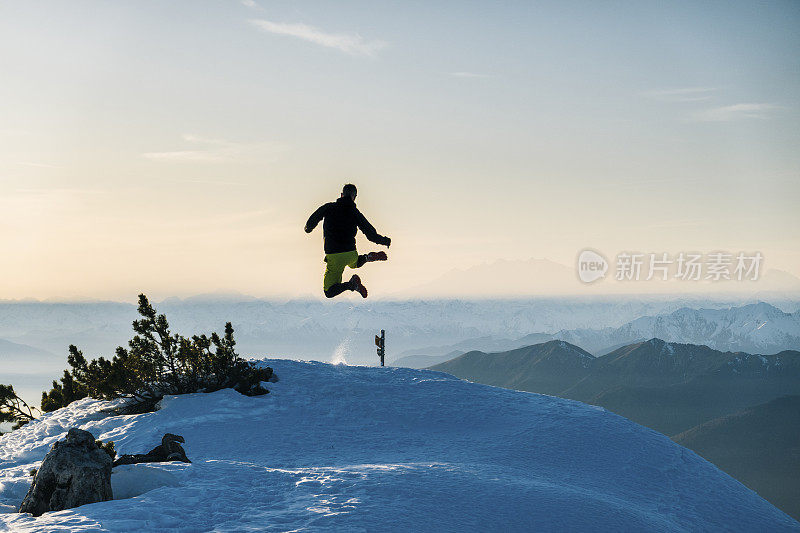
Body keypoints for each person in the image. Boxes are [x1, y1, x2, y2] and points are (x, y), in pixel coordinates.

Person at [305, 184, 391, 298]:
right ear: (354, 197)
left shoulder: (329, 207)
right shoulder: (355, 213)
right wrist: (385, 241)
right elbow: (371, 234)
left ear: (341, 195)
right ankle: (367, 258)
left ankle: (352, 285)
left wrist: (308, 228)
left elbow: (312, 220)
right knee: (354, 263)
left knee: (329, 291)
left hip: (334, 255)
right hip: (351, 253)